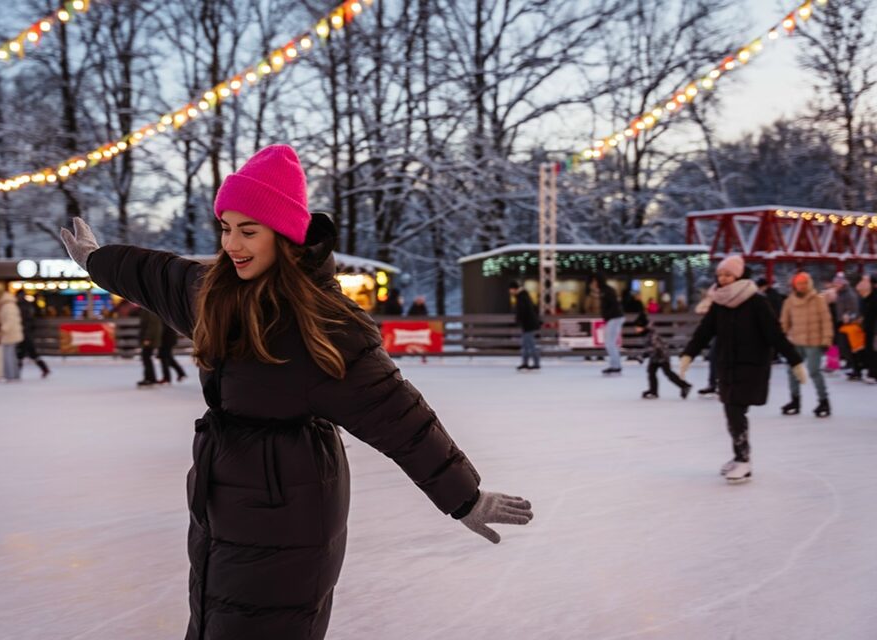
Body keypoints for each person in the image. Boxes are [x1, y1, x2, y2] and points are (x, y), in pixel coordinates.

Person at [60, 144, 532, 639]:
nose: (233, 245)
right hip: (223, 504)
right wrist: (98, 261)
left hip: (290, 510)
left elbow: (400, 417)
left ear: (283, 235)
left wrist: (464, 497)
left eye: (249, 231)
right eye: (226, 228)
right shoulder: (215, 293)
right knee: (214, 616)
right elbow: (157, 275)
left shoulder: (323, 325)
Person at [679, 255, 805, 484]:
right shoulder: (719, 302)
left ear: (739, 275)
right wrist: (688, 354)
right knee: (730, 411)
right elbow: (705, 331)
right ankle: (739, 456)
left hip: (751, 366)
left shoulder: (756, 301)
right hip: (727, 365)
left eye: (728, 274)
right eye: (720, 275)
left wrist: (795, 361)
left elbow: (774, 333)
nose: (723, 279)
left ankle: (744, 460)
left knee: (736, 411)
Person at [778, 272, 834, 417]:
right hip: (796, 341)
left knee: (814, 371)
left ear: (809, 284)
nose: (802, 286)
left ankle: (823, 401)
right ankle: (795, 400)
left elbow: (826, 321)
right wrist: (779, 339)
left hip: (814, 342)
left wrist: (827, 339)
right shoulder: (789, 301)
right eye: (799, 283)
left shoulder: (818, 299)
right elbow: (784, 322)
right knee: (792, 370)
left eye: (804, 283)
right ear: (794, 285)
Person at [639, 319, 691, 399]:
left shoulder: (651, 335)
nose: (636, 329)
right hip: (655, 356)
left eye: (638, 327)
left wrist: (643, 355)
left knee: (667, 373)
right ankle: (653, 391)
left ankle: (684, 385)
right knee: (651, 372)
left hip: (661, 356)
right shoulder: (646, 334)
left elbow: (655, 347)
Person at [585, 273, 624, 375]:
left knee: (610, 343)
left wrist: (608, 316)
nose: (593, 283)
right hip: (614, 318)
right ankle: (615, 365)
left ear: (598, 281)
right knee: (610, 343)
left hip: (614, 318)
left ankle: (616, 366)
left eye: (594, 281)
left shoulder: (607, 291)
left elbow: (613, 304)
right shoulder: (605, 290)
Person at [15, 291, 50, 378]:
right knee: (31, 353)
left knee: (21, 353)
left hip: (22, 332)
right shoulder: (29, 305)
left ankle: (16, 372)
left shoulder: (18, 305)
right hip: (27, 332)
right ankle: (44, 369)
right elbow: (34, 317)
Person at [510, 280, 541, 371]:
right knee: (526, 344)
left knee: (530, 344)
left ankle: (536, 363)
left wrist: (518, 319)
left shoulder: (521, 296)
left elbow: (523, 310)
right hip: (528, 323)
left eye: (511, 289)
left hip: (528, 324)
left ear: (514, 289)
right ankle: (525, 363)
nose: (510, 291)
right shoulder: (523, 295)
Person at [0, 291, 24, 381]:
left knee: (8, 356)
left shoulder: (8, 306)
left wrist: (3, 330)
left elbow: (10, 321)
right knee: (11, 355)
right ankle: (13, 374)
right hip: (12, 333)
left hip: (10, 334)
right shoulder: (9, 305)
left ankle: (10, 375)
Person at [857, 274, 877, 383]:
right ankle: (871, 372)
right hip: (869, 327)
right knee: (870, 349)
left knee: (873, 351)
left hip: (874, 328)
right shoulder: (869, 296)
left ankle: (873, 374)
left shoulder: (873, 296)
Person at [137, 307, 162, 388]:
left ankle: (149, 378)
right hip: (150, 339)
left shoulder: (149, 309)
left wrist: (148, 338)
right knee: (146, 358)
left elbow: (152, 325)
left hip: (150, 340)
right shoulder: (148, 309)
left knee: (146, 358)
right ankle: (150, 378)